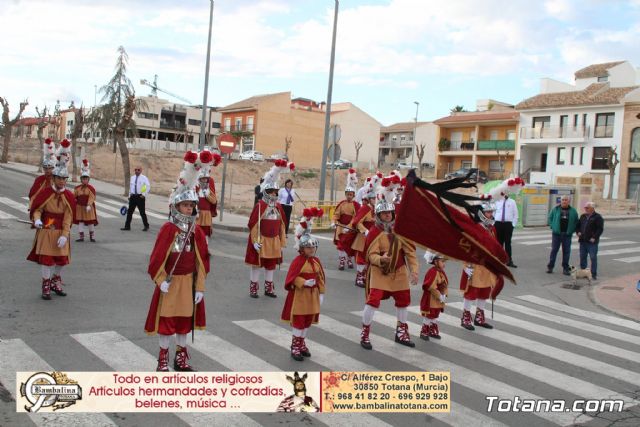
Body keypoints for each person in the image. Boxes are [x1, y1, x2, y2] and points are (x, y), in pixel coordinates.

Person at [144, 150, 209, 372]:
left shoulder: (197, 231)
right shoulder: (168, 229)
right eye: (185, 206)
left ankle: (180, 358)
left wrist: (199, 286)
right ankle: (162, 359)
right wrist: (160, 279)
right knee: (166, 322)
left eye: (192, 206)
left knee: (184, 322)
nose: (189, 209)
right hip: (170, 284)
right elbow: (156, 259)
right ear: (176, 207)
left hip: (188, 284)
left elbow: (202, 262)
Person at [360, 181, 418, 350]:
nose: (387, 216)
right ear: (378, 215)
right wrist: (381, 259)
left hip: (398, 272)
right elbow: (370, 255)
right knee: (373, 300)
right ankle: (365, 333)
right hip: (380, 272)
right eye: (384, 213)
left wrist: (414, 271)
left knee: (403, 301)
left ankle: (401, 332)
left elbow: (410, 253)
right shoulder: (374, 232)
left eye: (389, 213)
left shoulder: (400, 231)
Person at [27, 139, 75, 300]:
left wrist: (65, 234)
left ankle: (56, 280)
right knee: (47, 259)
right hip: (47, 230)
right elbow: (38, 208)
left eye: (64, 179)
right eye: (59, 179)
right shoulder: (46, 192)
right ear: (54, 178)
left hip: (61, 231)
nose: (62, 182)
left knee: (61, 260)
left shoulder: (69, 196)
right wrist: (37, 219)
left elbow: (69, 216)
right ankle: (46, 284)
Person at [281, 211, 325, 361]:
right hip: (300, 296)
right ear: (301, 249)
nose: (311, 250)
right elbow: (291, 278)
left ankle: (302, 343)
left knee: (307, 321)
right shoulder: (298, 261)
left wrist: (322, 293)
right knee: (299, 321)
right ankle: (295, 345)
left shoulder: (316, 261)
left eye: (313, 248)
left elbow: (321, 278)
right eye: (308, 248)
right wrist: (303, 282)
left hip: (312, 297)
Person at [245, 160, 292, 298]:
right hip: (261, 240)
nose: (274, 195)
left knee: (271, 265)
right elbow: (253, 225)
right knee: (256, 265)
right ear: (266, 192)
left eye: (275, 192)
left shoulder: (278, 207)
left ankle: (268, 288)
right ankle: (253, 288)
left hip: (273, 241)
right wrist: (254, 242)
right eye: (271, 192)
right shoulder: (260, 206)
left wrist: (281, 241)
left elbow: (282, 225)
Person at [459, 203, 504, 330]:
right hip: (475, 264)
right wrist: (466, 265)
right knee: (471, 292)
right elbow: (465, 247)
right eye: (488, 212)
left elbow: (495, 246)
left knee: (484, 292)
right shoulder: (474, 228)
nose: (491, 214)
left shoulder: (492, 228)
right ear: (481, 214)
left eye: (491, 212)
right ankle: (466, 317)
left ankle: (479, 317)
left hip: (488, 265)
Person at [343, 182, 377, 288]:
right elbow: (357, 222)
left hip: (371, 238)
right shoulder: (365, 209)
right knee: (361, 258)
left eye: (376, 198)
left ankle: (365, 276)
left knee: (368, 258)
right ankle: (359, 278)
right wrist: (365, 231)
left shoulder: (375, 210)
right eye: (373, 198)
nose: (375, 200)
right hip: (362, 237)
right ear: (369, 199)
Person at [331, 169, 360, 270]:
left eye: (351, 194)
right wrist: (334, 222)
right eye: (347, 194)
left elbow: (356, 217)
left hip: (350, 228)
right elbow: (336, 214)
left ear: (353, 195)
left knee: (350, 245)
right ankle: (342, 262)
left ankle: (349, 260)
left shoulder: (356, 205)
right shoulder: (342, 204)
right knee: (341, 245)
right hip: (340, 227)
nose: (349, 196)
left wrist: (350, 226)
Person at [547, 195, 579, 275]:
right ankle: (550, 267)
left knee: (566, 252)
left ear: (569, 201)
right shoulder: (555, 209)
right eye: (563, 200)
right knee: (554, 250)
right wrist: (552, 226)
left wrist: (572, 230)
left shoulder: (573, 211)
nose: (564, 201)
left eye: (566, 200)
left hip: (567, 234)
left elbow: (576, 221)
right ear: (560, 201)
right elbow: (550, 218)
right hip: (556, 234)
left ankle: (565, 268)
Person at [493, 179, 521, 268]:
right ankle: (499, 260)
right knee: (499, 243)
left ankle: (509, 260)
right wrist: (494, 223)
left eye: (506, 192)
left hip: (508, 225)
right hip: (498, 224)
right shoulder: (497, 201)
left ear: (508, 193)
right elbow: (493, 213)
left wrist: (513, 225)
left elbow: (516, 215)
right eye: (503, 192)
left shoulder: (512, 202)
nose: (505, 193)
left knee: (508, 243)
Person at [420, 252, 448, 340]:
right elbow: (431, 286)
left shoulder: (441, 272)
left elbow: (445, 284)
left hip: (438, 299)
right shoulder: (433, 272)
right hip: (431, 299)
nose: (444, 264)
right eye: (442, 261)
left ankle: (432, 329)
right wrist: (439, 295)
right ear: (436, 262)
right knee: (429, 314)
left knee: (435, 314)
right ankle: (424, 330)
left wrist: (445, 294)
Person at [195, 149, 221, 238]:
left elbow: (214, 201)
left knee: (204, 238)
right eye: (202, 178)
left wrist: (207, 194)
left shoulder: (210, 183)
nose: (204, 180)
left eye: (206, 178)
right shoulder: (195, 185)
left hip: (206, 215)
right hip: (196, 215)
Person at [577, 201, 604, 280]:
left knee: (593, 257)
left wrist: (594, 237)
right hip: (582, 240)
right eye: (585, 208)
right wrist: (578, 232)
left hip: (592, 242)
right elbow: (578, 226)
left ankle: (593, 274)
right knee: (582, 257)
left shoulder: (598, 217)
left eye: (587, 208)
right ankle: (583, 273)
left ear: (592, 208)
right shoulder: (583, 216)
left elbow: (600, 229)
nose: (585, 209)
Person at [73, 159, 98, 242]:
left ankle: (92, 236)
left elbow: (92, 197)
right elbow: (74, 196)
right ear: (81, 179)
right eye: (83, 179)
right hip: (80, 207)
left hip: (88, 208)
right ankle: (81, 237)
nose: (84, 180)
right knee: (80, 222)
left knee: (90, 222)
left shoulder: (91, 189)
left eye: (86, 179)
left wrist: (88, 205)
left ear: (88, 179)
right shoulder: (77, 188)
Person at [28, 138, 57, 210]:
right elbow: (32, 193)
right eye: (45, 168)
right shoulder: (39, 179)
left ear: (53, 168)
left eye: (50, 168)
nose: (47, 170)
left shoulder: (57, 179)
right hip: (40, 204)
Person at [121, 165, 150, 231]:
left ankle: (146, 225)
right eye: (135, 170)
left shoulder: (144, 178)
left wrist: (143, 194)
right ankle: (127, 226)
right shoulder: (132, 178)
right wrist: (129, 195)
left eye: (138, 170)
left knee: (142, 212)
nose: (137, 171)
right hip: (133, 196)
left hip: (140, 197)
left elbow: (147, 186)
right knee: (129, 212)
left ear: (141, 170)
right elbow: (131, 187)